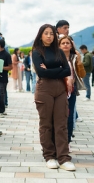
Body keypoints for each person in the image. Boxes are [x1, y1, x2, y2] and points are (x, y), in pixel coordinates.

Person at [32, 24, 75, 171]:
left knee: (61, 123)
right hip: (45, 89)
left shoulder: (59, 52)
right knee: (46, 124)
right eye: (46, 33)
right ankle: (49, 156)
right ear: (41, 35)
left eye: (51, 33)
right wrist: (58, 70)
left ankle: (63, 158)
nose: (49, 36)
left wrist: (50, 70)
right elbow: (41, 73)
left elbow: (67, 70)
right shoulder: (37, 51)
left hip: (60, 89)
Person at [59, 35, 85, 153]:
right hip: (59, 90)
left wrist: (79, 61)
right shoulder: (56, 58)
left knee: (70, 118)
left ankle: (67, 142)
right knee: (59, 117)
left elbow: (82, 74)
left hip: (72, 91)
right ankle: (59, 141)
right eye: (63, 43)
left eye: (67, 43)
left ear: (71, 45)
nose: (65, 45)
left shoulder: (75, 57)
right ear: (59, 45)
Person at [0, 39, 12, 117]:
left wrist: (1, 67)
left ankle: (1, 111)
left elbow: (10, 67)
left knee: (1, 94)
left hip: (3, 77)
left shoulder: (7, 55)